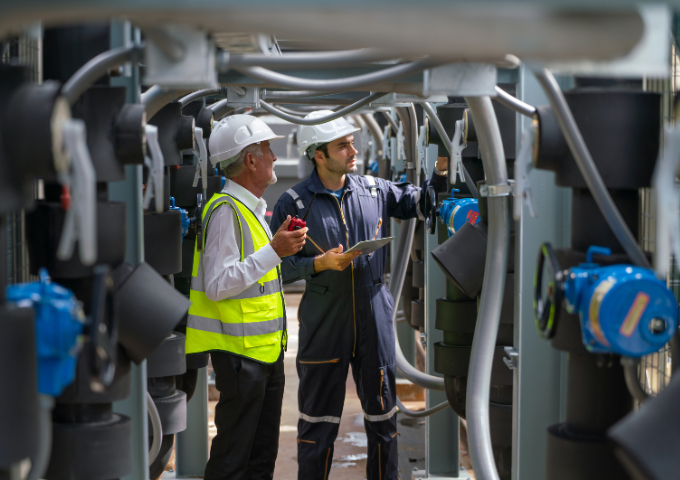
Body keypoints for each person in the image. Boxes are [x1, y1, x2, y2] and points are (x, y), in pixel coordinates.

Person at [270, 111, 449, 480]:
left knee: (384, 422)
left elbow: (424, 202)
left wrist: (443, 170)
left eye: (352, 141)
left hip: (374, 316)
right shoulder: (293, 204)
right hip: (324, 319)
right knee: (317, 426)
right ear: (318, 155)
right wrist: (318, 264)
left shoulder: (374, 190)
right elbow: (276, 269)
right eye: (343, 145)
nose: (354, 149)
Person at [185, 115, 308, 480]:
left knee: (260, 455)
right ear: (250, 160)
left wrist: (275, 246)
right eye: (267, 149)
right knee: (233, 458)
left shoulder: (250, 210)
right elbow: (218, 284)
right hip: (241, 357)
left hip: (263, 353)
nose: (273, 156)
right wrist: (274, 250)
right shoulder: (225, 211)